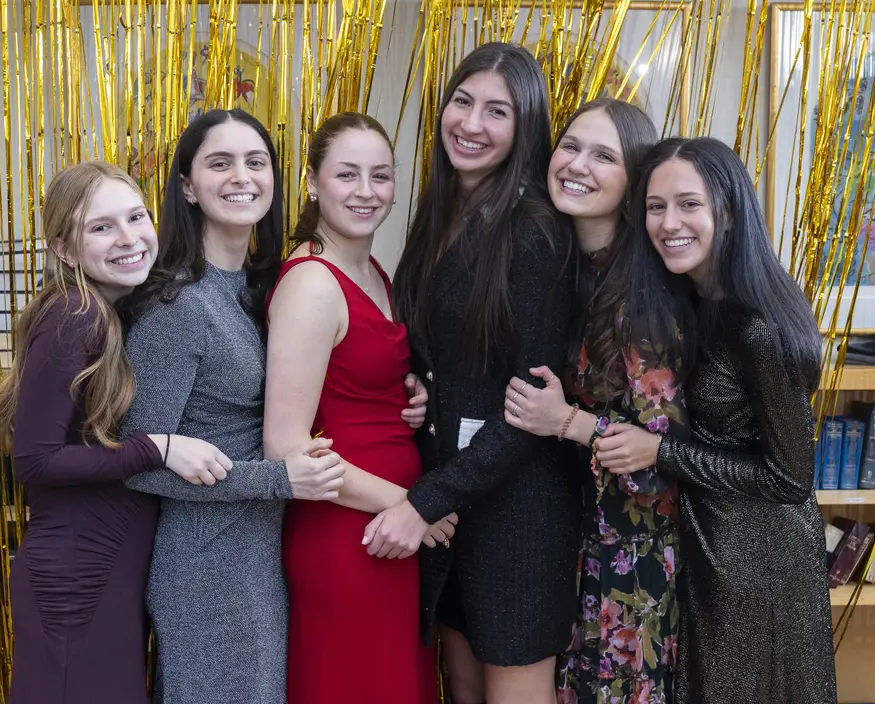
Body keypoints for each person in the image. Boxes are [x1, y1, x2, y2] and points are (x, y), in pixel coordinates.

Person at [371, 42, 580, 704]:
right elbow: (444, 351)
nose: (470, 123)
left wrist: (424, 501)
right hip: (453, 502)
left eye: (497, 111)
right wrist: (417, 385)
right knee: (462, 690)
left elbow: (529, 406)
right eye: (462, 101)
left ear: (526, 128)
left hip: (517, 513)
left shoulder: (536, 230)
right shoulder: (439, 214)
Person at [118, 109, 346, 704]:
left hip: (259, 551)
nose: (242, 176)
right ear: (188, 187)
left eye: (256, 162)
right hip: (207, 561)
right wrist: (280, 479)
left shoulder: (259, 287)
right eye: (220, 163)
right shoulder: (178, 306)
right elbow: (138, 463)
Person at [0, 161, 233, 704]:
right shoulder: (76, 314)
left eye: (136, 217)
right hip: (77, 577)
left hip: (104, 569)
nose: (128, 237)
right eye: (101, 227)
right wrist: (157, 449)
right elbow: (35, 460)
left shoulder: (113, 310)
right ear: (65, 249)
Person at [602, 137, 837, 703]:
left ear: (727, 211)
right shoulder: (693, 301)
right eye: (655, 206)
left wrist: (659, 452)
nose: (669, 223)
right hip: (707, 544)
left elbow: (789, 479)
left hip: (759, 564)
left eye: (689, 204)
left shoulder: (757, 327)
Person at [501, 98, 684, 703]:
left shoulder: (642, 299)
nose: (578, 164)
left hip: (629, 564)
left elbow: (665, 459)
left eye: (604, 155)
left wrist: (568, 422)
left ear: (634, 182)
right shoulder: (569, 268)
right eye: (571, 146)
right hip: (573, 542)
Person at [264, 112, 443, 704]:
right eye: (347, 174)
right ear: (312, 182)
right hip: (348, 534)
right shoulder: (313, 283)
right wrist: (411, 505)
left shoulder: (371, 270)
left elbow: (356, 378)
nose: (366, 191)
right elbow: (286, 448)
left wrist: (409, 389)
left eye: (380, 175)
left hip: (391, 530)